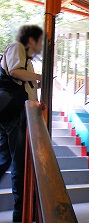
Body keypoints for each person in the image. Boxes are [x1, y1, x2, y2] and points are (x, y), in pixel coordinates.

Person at [0, 25, 43, 222]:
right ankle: (20, 214)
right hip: (14, 113)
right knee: (18, 163)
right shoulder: (17, 47)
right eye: (39, 41)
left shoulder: (21, 53)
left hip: (10, 112)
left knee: (5, 160)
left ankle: (21, 212)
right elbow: (16, 72)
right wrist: (38, 77)